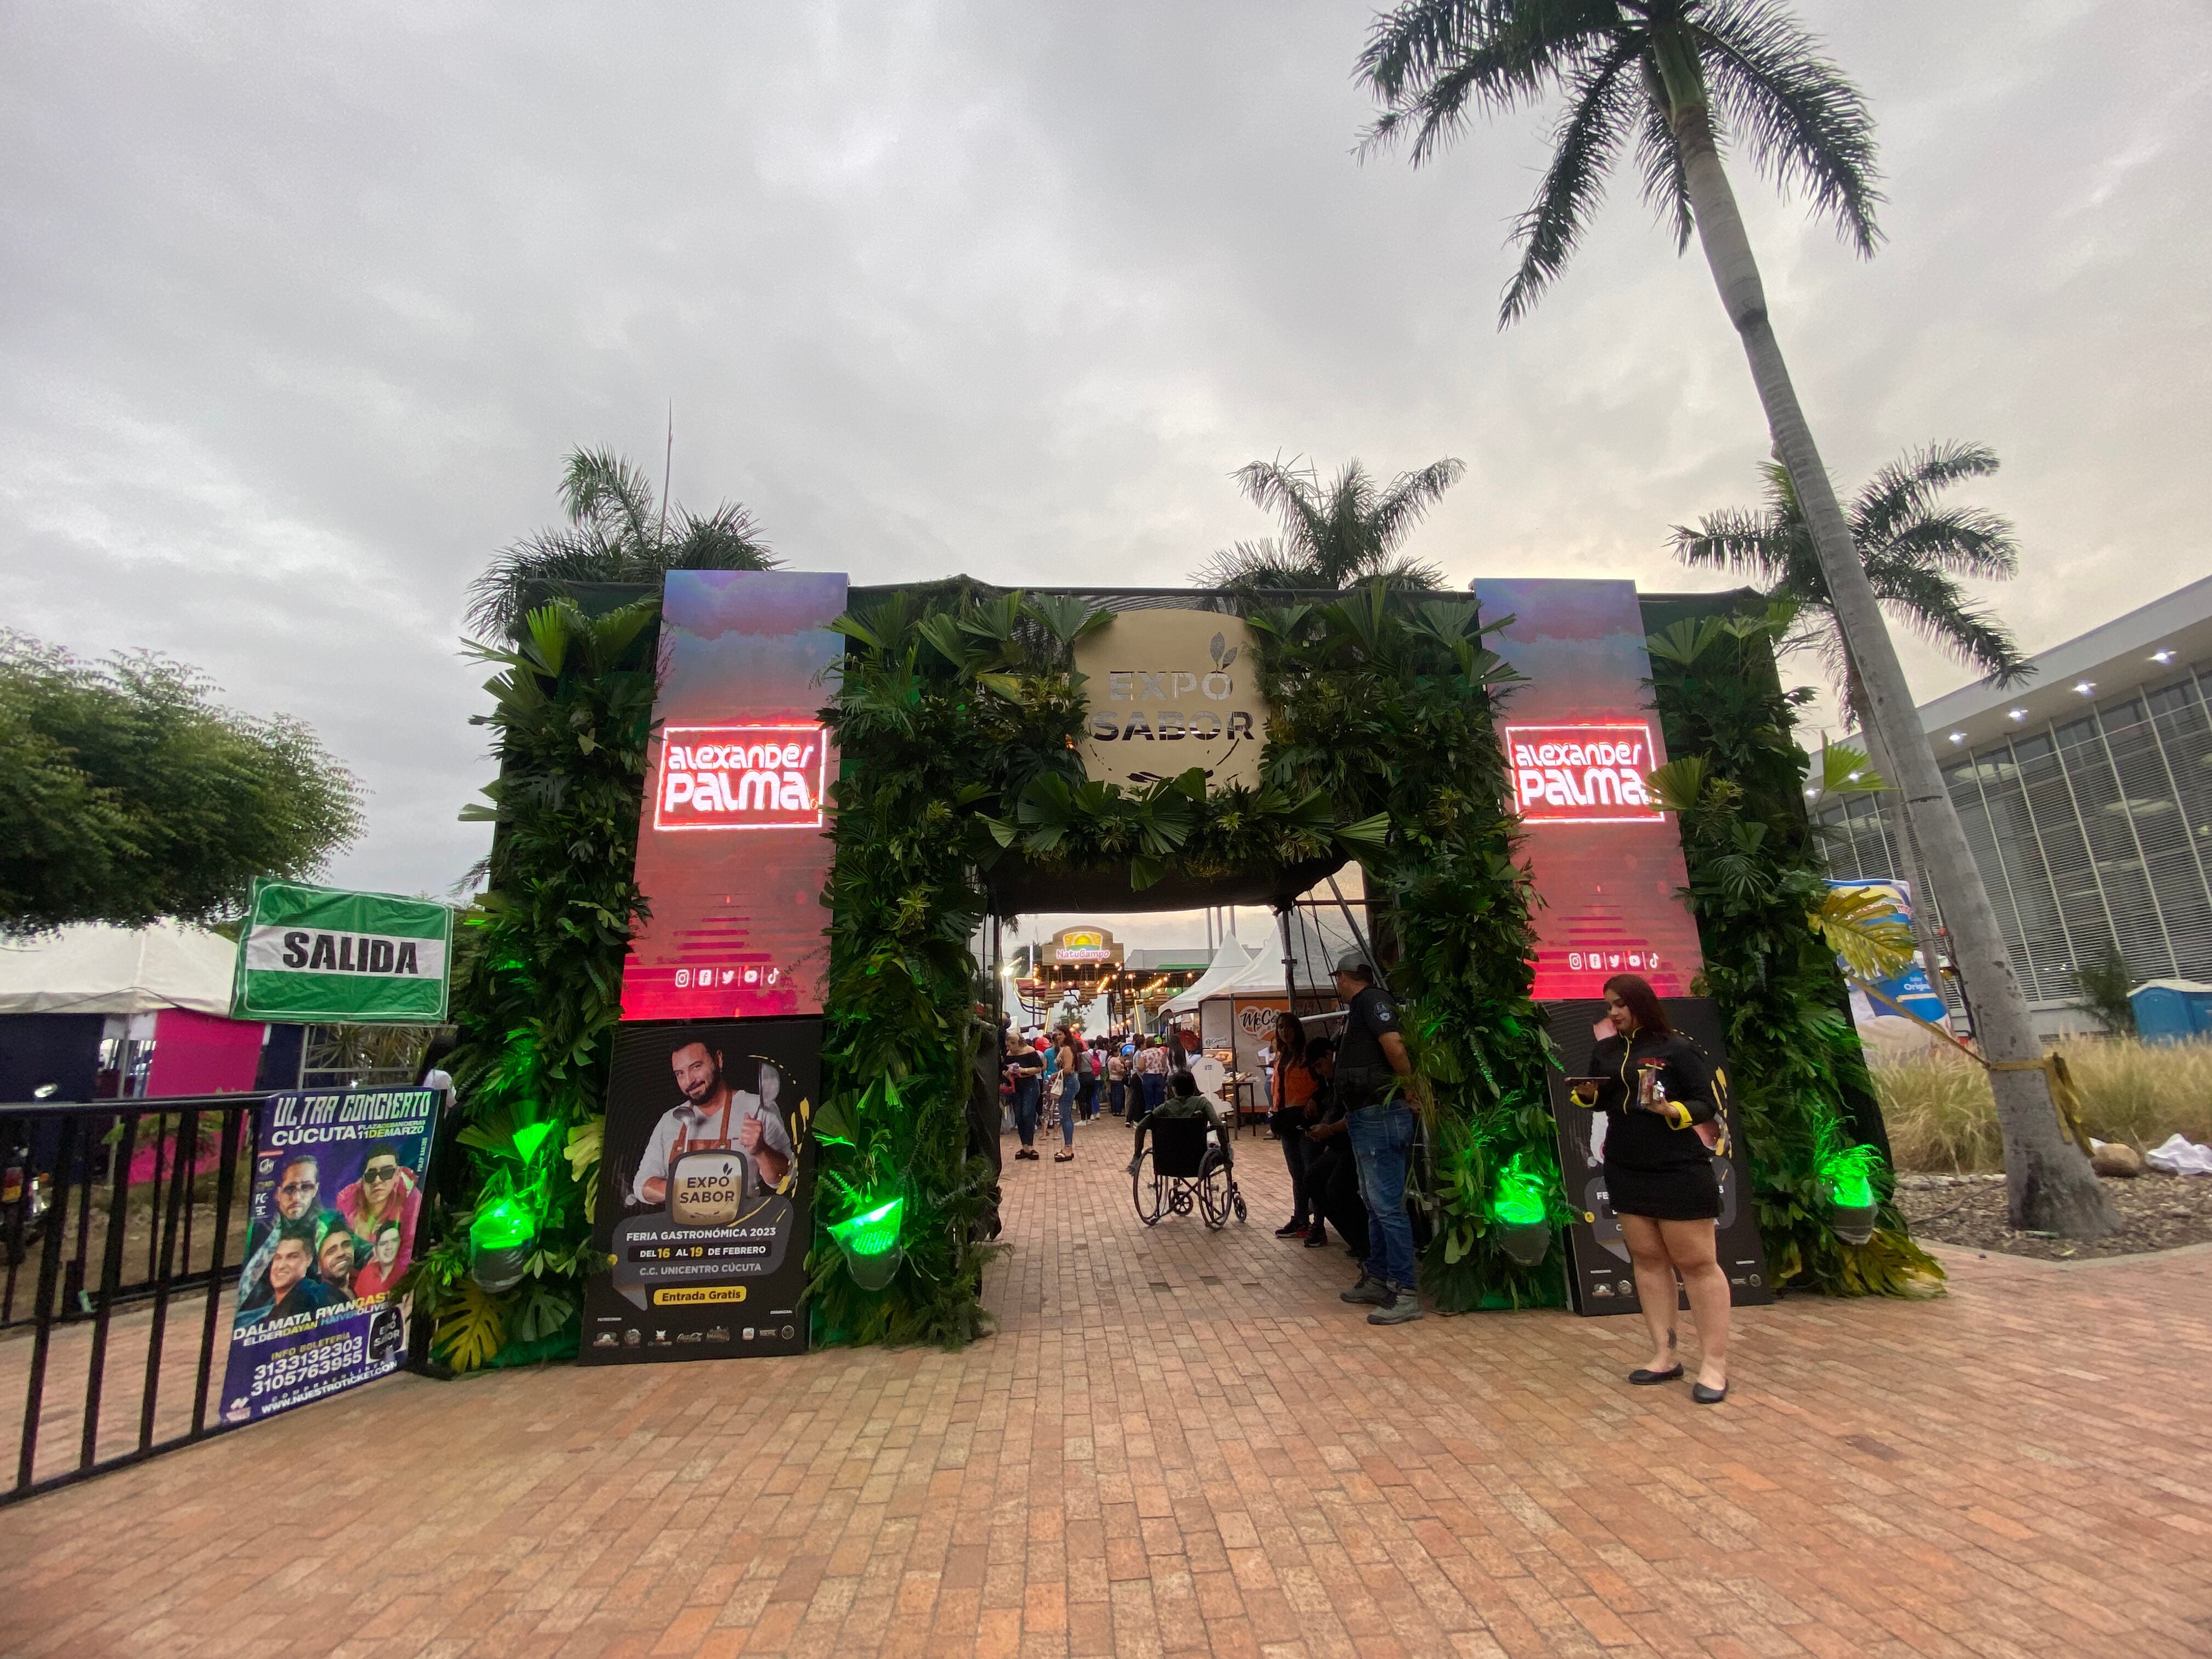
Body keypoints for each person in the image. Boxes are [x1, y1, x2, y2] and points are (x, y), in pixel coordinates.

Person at [1570, 973, 1731, 1403]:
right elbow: (1601, 1099)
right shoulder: (1605, 1050)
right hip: (1625, 1166)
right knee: (1647, 1260)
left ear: (1641, 1002)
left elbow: (1705, 1102)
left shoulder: (1676, 1048)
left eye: (1620, 1004)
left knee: (1697, 1263)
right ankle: (1665, 1355)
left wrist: (1669, 1109)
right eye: (1608, 1006)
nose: (1614, 1013)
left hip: (1677, 1166)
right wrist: (1585, 1095)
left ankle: (1715, 1364)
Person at [1331, 951, 1425, 1325]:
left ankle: (1405, 1290)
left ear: (1346, 976)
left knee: (1386, 1205)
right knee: (1373, 1202)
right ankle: (1378, 1275)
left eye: (1337, 976)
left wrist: (1410, 1089)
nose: (1335, 983)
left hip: (1379, 1114)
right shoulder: (1365, 1006)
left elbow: (1395, 1045)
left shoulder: (1372, 1001)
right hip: (1366, 1115)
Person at [632, 1037, 795, 1206]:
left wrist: (761, 1150)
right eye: (680, 1074)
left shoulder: (757, 1108)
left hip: (740, 1228)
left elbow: (786, 1179)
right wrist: (686, 1188)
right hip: (683, 1231)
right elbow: (641, 1185)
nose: (689, 1081)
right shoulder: (670, 1120)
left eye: (696, 1067)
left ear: (718, 1060)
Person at [237, 1153, 347, 1317]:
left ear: (315, 1189)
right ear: (278, 1193)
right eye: (290, 1188)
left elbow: (361, 1252)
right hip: (261, 1318)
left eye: (306, 1187)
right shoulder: (262, 1229)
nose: (297, 1197)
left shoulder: (330, 1222)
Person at [1300, 1040, 1368, 1261]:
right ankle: (1357, 1240)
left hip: (1353, 1143)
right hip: (1338, 1144)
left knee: (1338, 1189)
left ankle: (1366, 1242)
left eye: (1320, 1065)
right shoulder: (1329, 1082)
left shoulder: (1346, 1076)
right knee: (1313, 1179)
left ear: (1330, 1055)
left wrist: (1329, 1130)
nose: (1319, 1071)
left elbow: (1355, 1114)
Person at [1267, 1012, 1322, 1239]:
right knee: (1297, 1173)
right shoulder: (1282, 1057)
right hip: (1285, 1119)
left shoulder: (1306, 1055)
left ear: (1297, 1029)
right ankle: (1300, 1219)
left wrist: (1315, 1100)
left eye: (1288, 1027)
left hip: (1305, 1119)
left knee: (1312, 1172)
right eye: (1280, 1027)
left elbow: (1324, 1082)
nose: (1284, 1031)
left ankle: (1318, 1224)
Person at [1126, 1069, 1233, 1176]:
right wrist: (1225, 1153)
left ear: (1174, 1089)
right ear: (1194, 1086)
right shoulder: (1203, 1103)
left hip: (1168, 1162)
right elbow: (1218, 1125)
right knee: (1225, 1149)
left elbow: (1141, 1127)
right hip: (1197, 1161)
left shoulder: (1166, 1107)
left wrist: (1137, 1155)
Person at [337, 1141, 421, 1276]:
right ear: (363, 1178)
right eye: (371, 1175)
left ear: (397, 1175)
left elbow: (407, 1251)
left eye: (387, 1172)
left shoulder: (411, 1198)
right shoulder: (347, 1200)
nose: (377, 1181)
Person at [238, 1227, 340, 1328]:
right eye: (277, 1258)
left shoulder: (314, 1297)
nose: (281, 1266)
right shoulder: (261, 1313)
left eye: (292, 1257)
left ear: (309, 1260)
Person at [1006, 1028, 1045, 1160]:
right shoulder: (1009, 1054)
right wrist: (1008, 1073)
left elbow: (1039, 1068)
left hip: (1030, 1084)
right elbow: (1005, 1069)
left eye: (1011, 1045)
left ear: (1017, 1043)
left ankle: (1030, 1144)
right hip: (1017, 1085)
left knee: (1027, 1113)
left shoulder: (1030, 1051)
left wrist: (1024, 1070)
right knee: (1019, 1116)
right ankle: (1024, 1145)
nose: (1010, 1048)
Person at [353, 1220, 405, 1299]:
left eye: (394, 1241)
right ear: (376, 1250)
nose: (389, 1247)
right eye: (383, 1243)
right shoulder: (367, 1273)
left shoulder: (406, 1274)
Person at [1052, 1028, 1081, 1161]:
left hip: (1069, 1082)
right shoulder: (1064, 1049)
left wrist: (1056, 1074)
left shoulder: (1067, 1049)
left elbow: (1068, 1068)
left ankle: (1068, 1147)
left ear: (1066, 1035)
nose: (1058, 1037)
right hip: (1068, 1082)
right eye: (1057, 1034)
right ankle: (1067, 1146)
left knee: (1065, 1115)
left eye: (1061, 1034)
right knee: (1064, 1115)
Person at [316, 1226, 360, 1301]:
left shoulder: (363, 1279)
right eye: (331, 1251)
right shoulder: (315, 1299)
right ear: (319, 1265)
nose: (341, 1253)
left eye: (346, 1245)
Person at [1136, 1035, 1171, 1113]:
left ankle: (1149, 1115)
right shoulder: (1160, 1052)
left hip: (1149, 1076)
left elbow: (1141, 1067)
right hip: (1159, 1076)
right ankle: (1160, 1115)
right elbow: (1164, 1064)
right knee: (1160, 1098)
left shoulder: (1144, 1053)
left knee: (1149, 1098)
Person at [1105, 1045, 1129, 1117]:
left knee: (1114, 1095)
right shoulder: (1116, 1060)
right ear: (1115, 1052)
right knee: (1119, 1095)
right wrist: (1124, 1071)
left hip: (1112, 1078)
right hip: (1118, 1079)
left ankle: (1114, 1110)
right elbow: (1119, 1070)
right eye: (1118, 1051)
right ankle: (1118, 1111)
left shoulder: (1109, 1059)